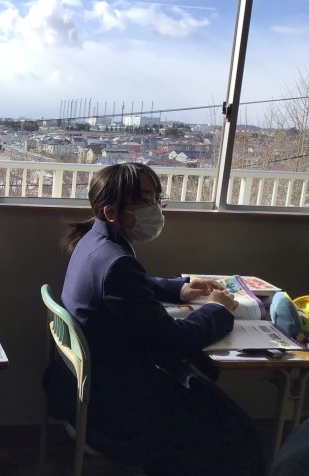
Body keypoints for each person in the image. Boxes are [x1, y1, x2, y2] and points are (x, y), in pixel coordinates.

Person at [43, 163, 265, 476]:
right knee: (238, 431)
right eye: (145, 200)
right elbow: (173, 341)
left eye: (156, 199)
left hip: (97, 385)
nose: (155, 209)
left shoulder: (94, 242)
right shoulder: (116, 262)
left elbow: (127, 286)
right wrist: (217, 309)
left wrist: (180, 289)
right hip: (120, 407)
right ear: (111, 212)